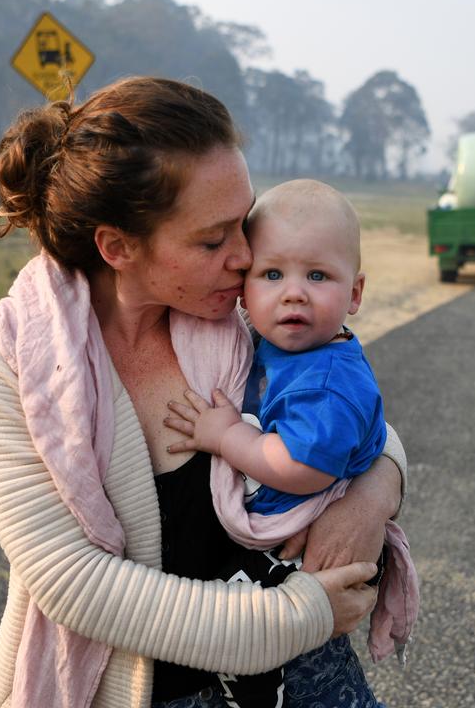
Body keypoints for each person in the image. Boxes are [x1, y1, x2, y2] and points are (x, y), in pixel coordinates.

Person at [0, 76, 408, 708]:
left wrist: (371, 494)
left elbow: (357, 420)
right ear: (117, 247)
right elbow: (73, 583)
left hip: (304, 681)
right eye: (213, 238)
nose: (248, 256)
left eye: (243, 223)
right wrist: (300, 615)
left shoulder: (245, 310)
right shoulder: (7, 356)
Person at [164, 179, 416, 708]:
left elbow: (302, 467)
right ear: (245, 287)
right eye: (272, 274)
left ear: (355, 293)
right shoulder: (276, 344)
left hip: (294, 558)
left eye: (317, 275)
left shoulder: (326, 379)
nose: (294, 291)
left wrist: (227, 435)